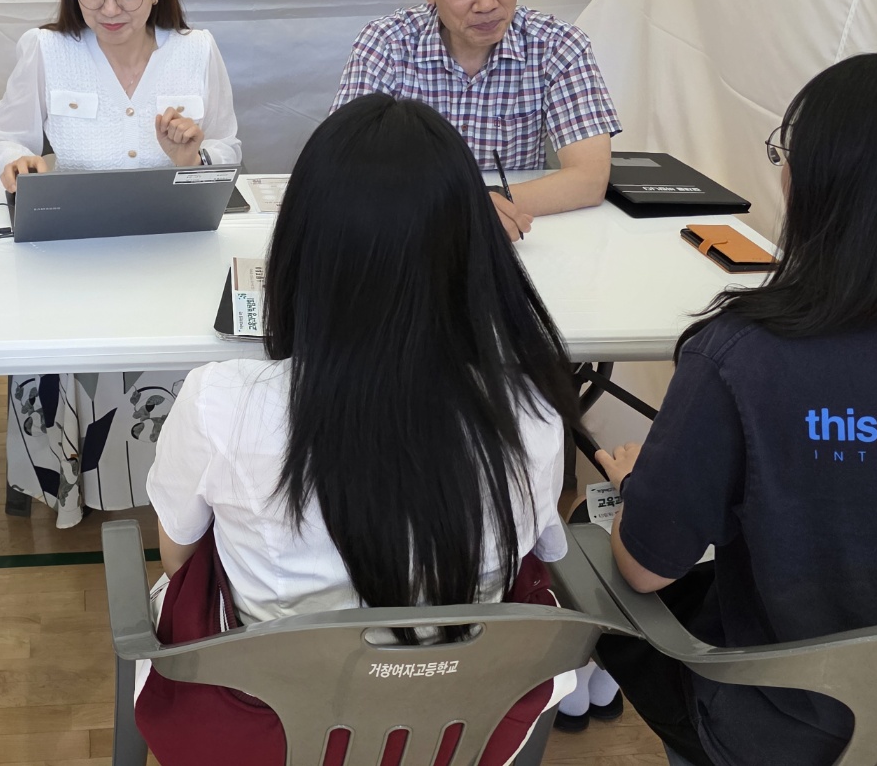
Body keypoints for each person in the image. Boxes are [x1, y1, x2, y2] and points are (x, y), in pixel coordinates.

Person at [144, 93, 579, 763]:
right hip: (457, 730)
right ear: (474, 250)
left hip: (271, 730)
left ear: (303, 247)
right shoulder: (532, 410)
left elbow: (177, 559)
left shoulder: (221, 401)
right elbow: (540, 553)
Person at [594, 53, 877, 766]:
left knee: (593, 546)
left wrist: (636, 488)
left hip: (783, 727)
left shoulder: (742, 356)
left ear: (811, 183)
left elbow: (645, 569)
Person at [0, 0, 241, 527]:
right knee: (63, 344)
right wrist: (16, 162)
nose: (109, 9)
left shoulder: (195, 51)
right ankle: (74, 482)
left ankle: (175, 487)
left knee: (188, 341)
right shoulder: (48, 49)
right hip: (74, 248)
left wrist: (192, 156)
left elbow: (228, 150)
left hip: (170, 248)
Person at [331, 0, 622, 242]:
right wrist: (459, 209)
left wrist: (479, 208)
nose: (486, 3)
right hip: (409, 237)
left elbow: (590, 178)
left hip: (514, 237)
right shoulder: (386, 44)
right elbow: (343, 169)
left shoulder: (558, 46)